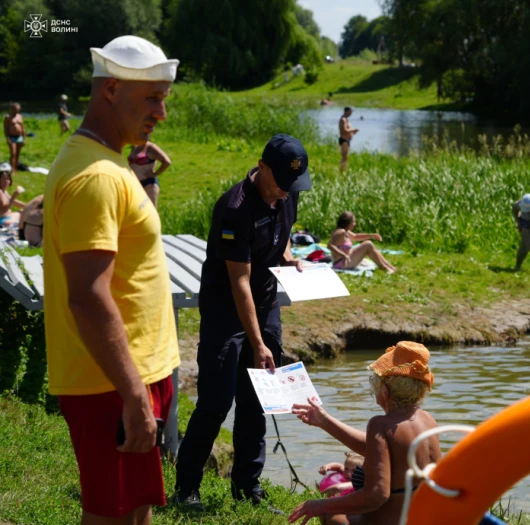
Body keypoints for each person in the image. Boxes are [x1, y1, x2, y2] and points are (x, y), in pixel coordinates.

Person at [42, 35, 180, 525]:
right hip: (112, 383)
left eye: (164, 98)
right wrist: (133, 394)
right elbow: (88, 297)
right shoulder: (96, 176)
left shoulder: (105, 159)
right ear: (111, 90)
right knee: (112, 516)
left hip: (128, 376)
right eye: (153, 98)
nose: (161, 113)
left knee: (134, 512)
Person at [173, 134, 313, 512]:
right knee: (216, 403)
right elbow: (239, 281)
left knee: (257, 402)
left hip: (265, 304)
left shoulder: (288, 192)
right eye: (281, 182)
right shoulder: (234, 208)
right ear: (261, 166)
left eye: (293, 184)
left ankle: (247, 489)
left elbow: (280, 237)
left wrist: (288, 258)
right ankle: (187, 487)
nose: (287, 190)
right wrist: (258, 343)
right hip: (225, 312)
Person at [289, 341, 441, 525]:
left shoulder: (380, 424)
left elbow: (376, 495)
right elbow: (381, 450)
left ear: (385, 391)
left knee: (331, 515)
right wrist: (324, 421)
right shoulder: (428, 420)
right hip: (425, 519)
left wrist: (322, 505)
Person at [329, 211, 396, 273]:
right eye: (353, 222)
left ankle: (388, 265)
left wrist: (372, 235)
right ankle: (384, 267)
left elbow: (355, 237)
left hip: (347, 258)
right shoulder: (340, 232)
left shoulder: (345, 231)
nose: (355, 224)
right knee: (368, 244)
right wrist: (343, 255)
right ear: (348, 223)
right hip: (341, 263)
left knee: (369, 244)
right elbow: (330, 245)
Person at [128, 140, 171, 207]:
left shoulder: (151, 147)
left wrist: (155, 173)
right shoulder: (135, 146)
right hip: (135, 182)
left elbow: (167, 161)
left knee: (151, 209)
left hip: (148, 183)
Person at [0, 162, 25, 228]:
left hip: (8, 217)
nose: (6, 181)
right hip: (3, 220)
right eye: (3, 179)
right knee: (25, 216)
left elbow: (13, 202)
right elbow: (4, 209)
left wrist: (27, 206)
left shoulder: (4, 191)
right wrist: (14, 195)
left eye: (7, 179)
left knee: (24, 212)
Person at [4, 102, 25, 174]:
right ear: (13, 109)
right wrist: (7, 138)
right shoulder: (8, 117)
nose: (18, 110)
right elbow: (6, 128)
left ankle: (16, 167)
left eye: (18, 109)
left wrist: (24, 138)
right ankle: (12, 169)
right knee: (13, 153)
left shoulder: (20, 116)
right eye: (16, 109)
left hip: (19, 137)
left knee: (18, 154)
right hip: (12, 137)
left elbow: (23, 128)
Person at [339, 107, 359, 172]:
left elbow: (348, 130)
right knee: (344, 157)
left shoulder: (346, 119)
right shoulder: (343, 120)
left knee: (345, 157)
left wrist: (353, 132)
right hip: (344, 140)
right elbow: (344, 130)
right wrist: (353, 130)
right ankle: (342, 171)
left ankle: (343, 170)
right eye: (350, 112)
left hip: (347, 140)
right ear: (346, 111)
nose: (351, 113)